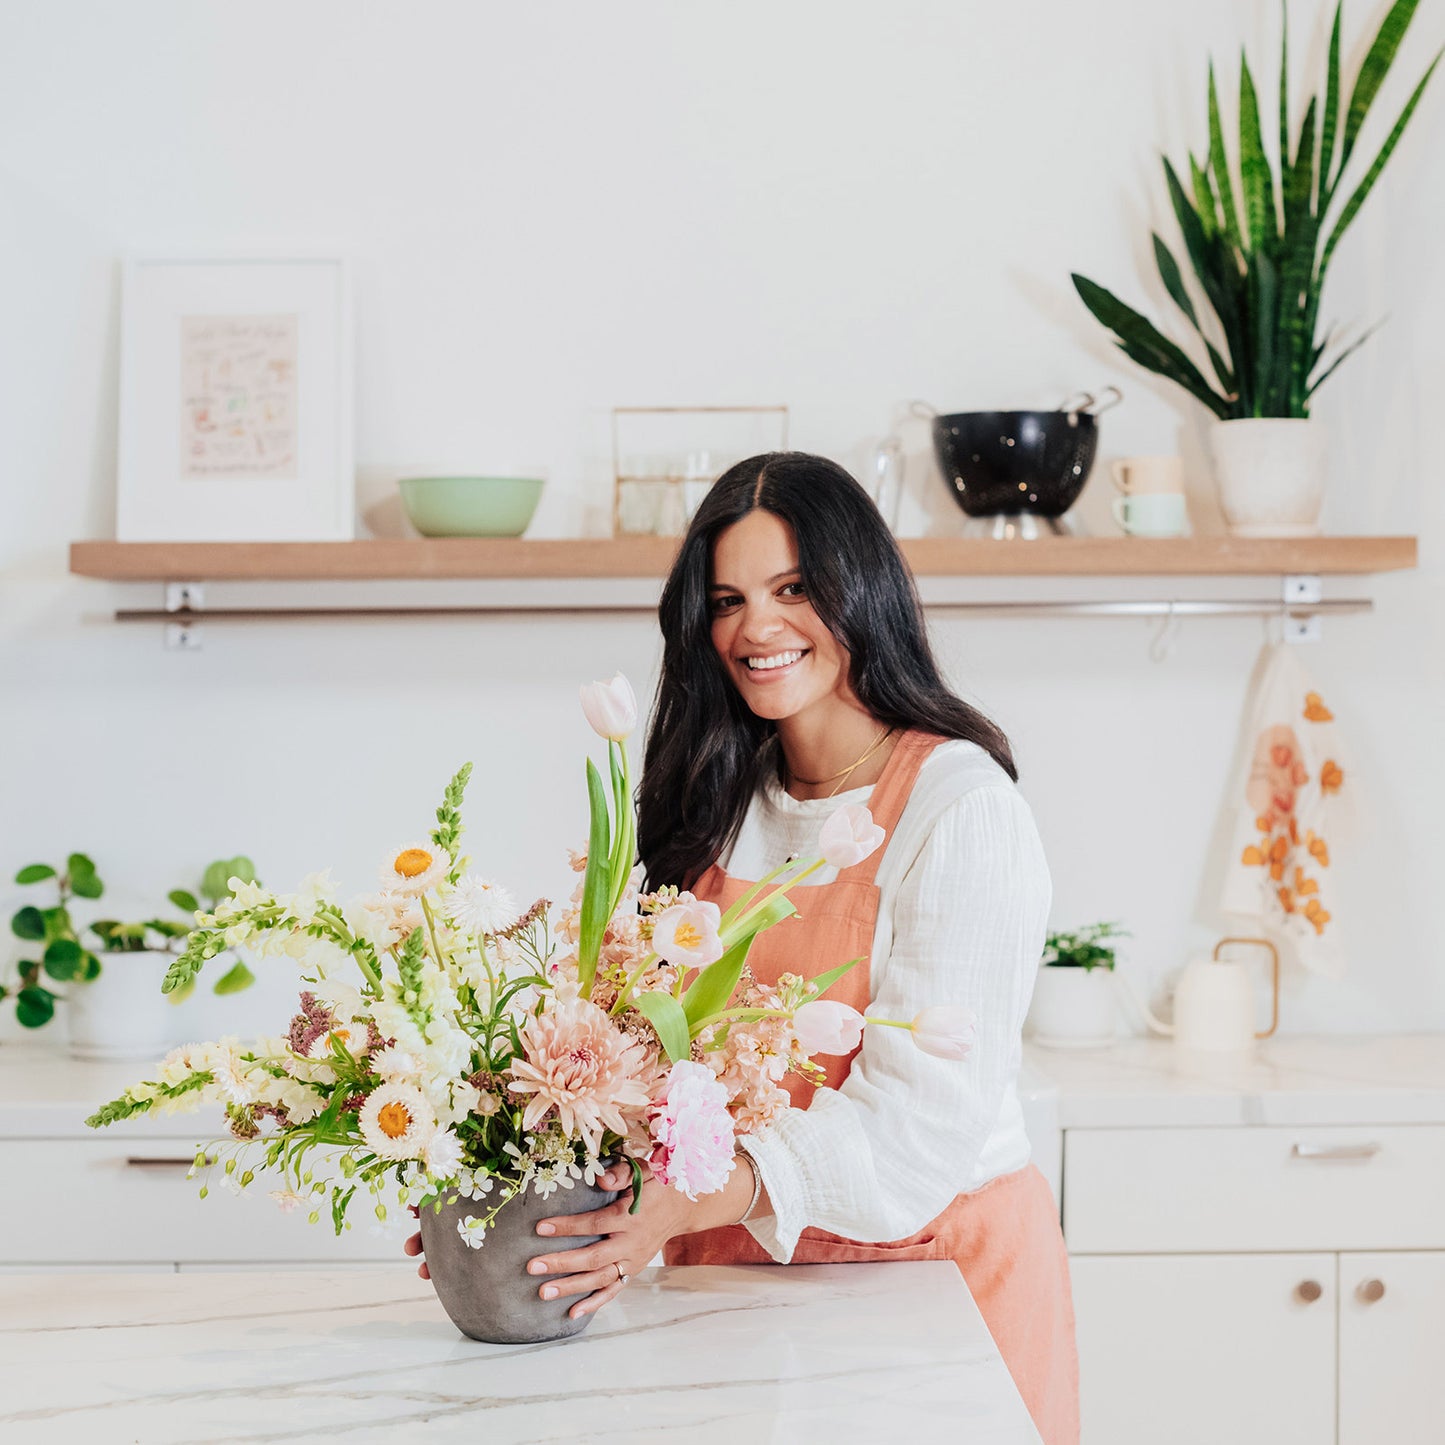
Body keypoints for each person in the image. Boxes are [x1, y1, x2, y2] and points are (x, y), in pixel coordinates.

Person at [406, 451, 1078, 1442]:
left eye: (792, 588)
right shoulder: (715, 802)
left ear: (863, 591)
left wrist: (679, 1203)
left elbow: (918, 1125)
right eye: (726, 599)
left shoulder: (959, 805)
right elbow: (638, 1054)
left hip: (926, 1270)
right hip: (725, 1261)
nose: (755, 626)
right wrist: (509, 1197)